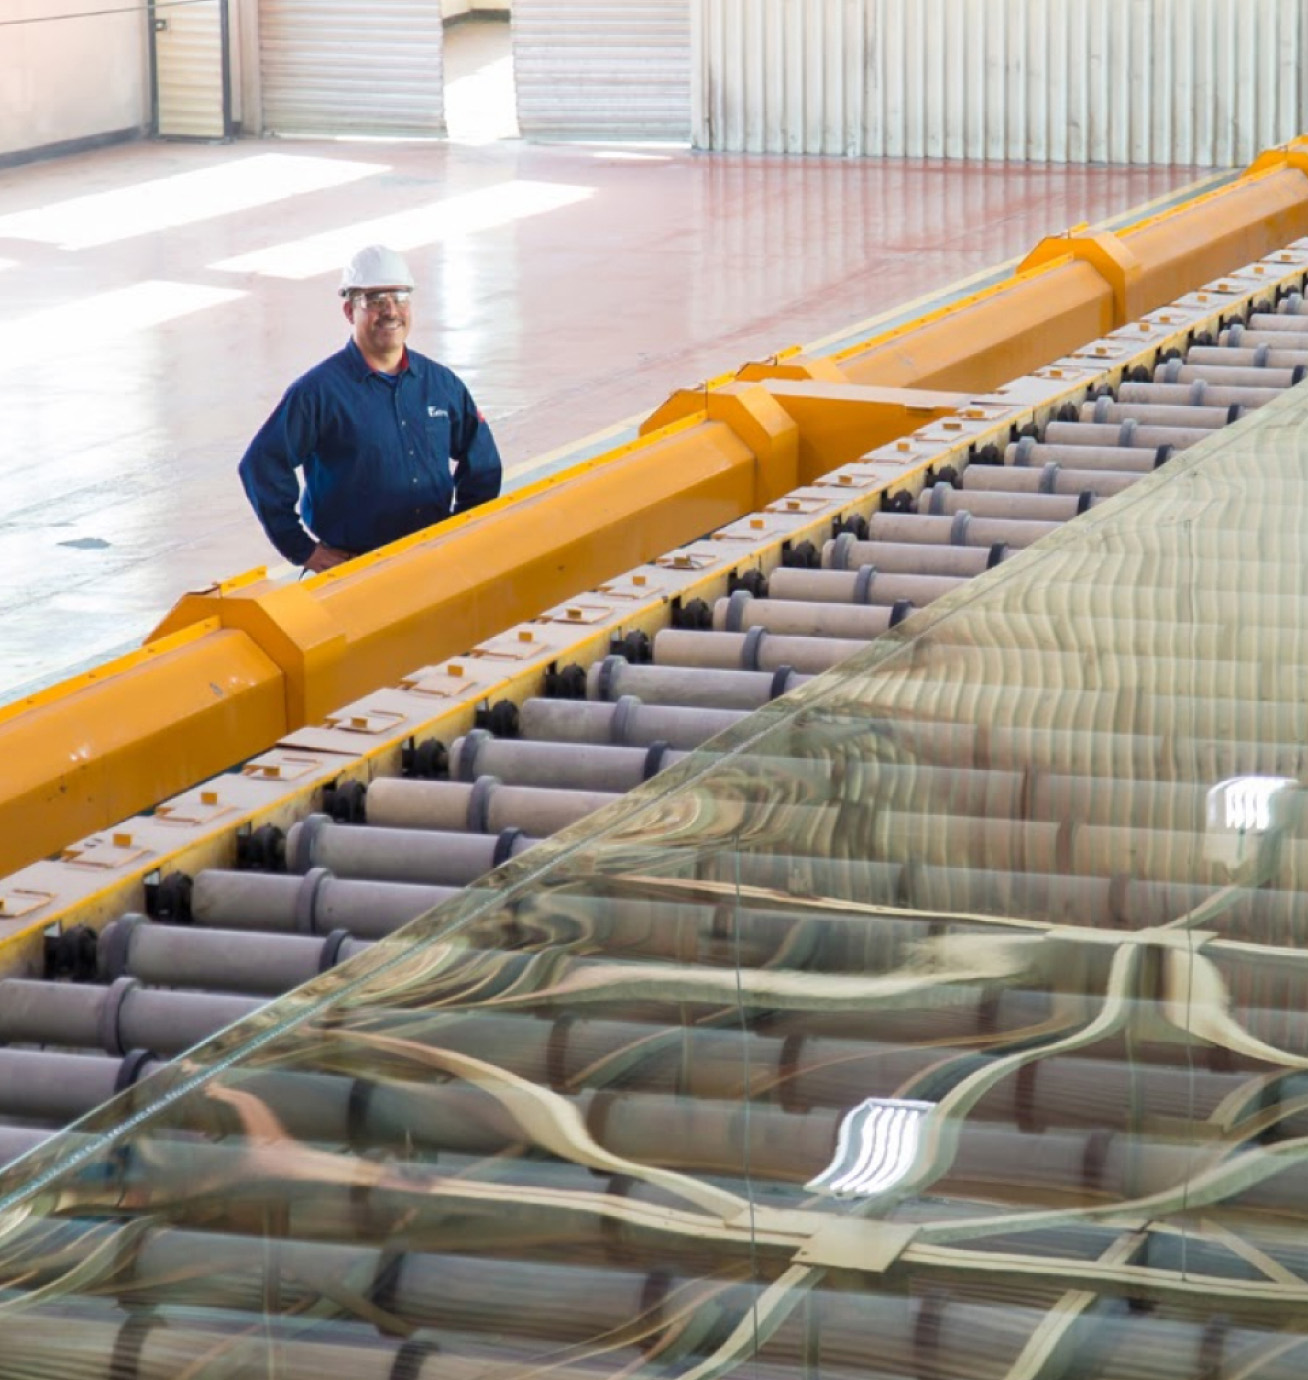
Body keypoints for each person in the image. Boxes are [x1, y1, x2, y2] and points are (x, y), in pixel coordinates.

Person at [238, 244, 502, 573]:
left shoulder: (440, 384)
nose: (391, 311)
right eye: (375, 301)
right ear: (349, 311)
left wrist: (464, 529)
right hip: (354, 569)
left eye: (400, 297)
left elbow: (483, 463)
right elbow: (261, 465)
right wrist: (303, 550)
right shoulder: (318, 393)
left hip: (432, 559)